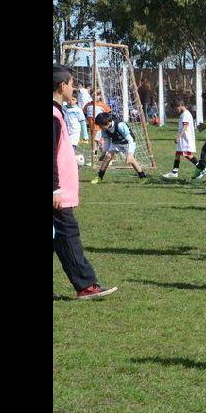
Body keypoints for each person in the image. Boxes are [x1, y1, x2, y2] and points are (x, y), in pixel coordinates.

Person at [53, 65, 117, 300]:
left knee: (62, 238)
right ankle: (86, 286)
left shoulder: (57, 113)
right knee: (68, 235)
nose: (74, 89)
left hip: (60, 192)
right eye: (71, 84)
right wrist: (55, 189)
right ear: (62, 86)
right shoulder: (54, 115)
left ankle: (85, 285)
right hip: (58, 195)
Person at [91, 112, 147, 183]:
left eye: (101, 126)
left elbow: (131, 140)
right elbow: (107, 140)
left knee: (131, 160)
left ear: (108, 123)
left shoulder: (120, 125)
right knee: (108, 156)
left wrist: (130, 154)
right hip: (116, 143)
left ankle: (142, 177)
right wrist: (104, 152)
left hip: (127, 143)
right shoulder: (104, 129)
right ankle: (99, 177)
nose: (100, 128)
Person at [163, 101, 200, 179]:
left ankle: (201, 168)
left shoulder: (185, 115)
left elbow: (185, 127)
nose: (176, 110)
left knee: (188, 155)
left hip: (185, 139)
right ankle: (174, 172)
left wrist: (178, 137)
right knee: (178, 154)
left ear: (180, 105)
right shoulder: (184, 114)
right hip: (184, 139)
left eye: (177, 108)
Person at [64, 90, 89, 161]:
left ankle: (72, 161)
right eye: (69, 99)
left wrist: (85, 135)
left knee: (71, 147)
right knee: (64, 147)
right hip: (65, 131)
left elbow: (83, 122)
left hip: (75, 132)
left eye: (73, 99)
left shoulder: (78, 110)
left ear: (76, 101)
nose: (71, 101)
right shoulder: (63, 108)